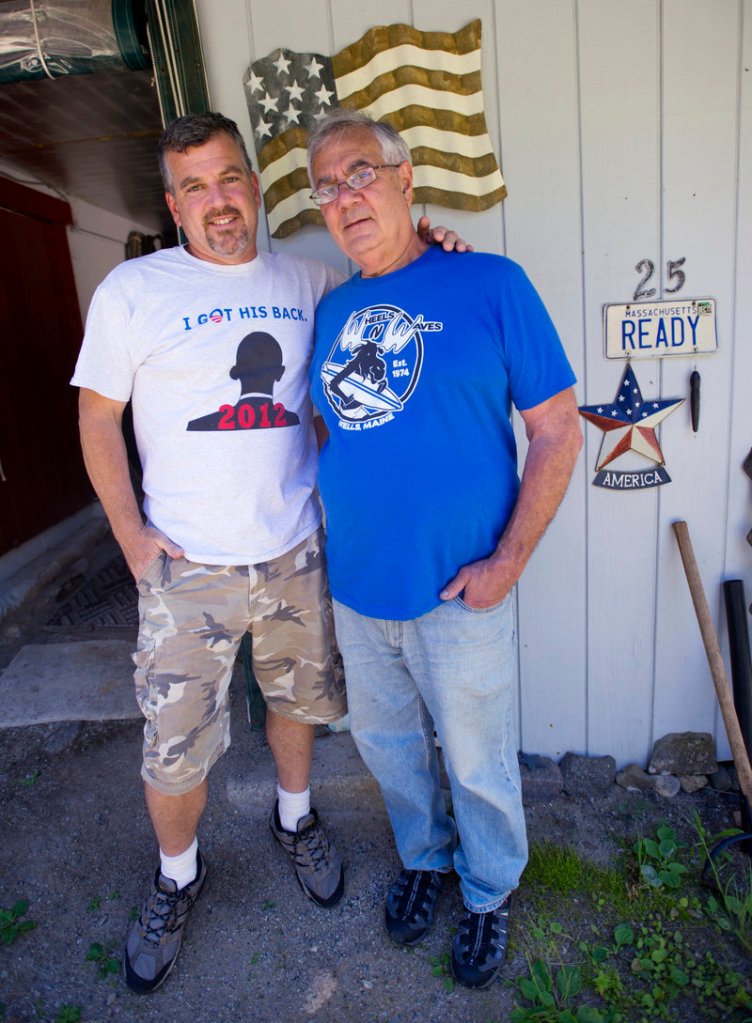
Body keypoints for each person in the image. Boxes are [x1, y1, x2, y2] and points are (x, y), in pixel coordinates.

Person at [71, 110, 466, 995]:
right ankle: (178, 877)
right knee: (174, 748)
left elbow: (392, 285)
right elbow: (96, 417)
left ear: (254, 182)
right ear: (174, 206)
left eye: (229, 178)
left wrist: (437, 243)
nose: (218, 201)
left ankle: (296, 818)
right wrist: (132, 538)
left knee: (302, 704)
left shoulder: (310, 279)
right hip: (186, 569)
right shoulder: (134, 292)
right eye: (195, 187)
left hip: (292, 548)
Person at [307, 109, 583, 990]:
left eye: (359, 174)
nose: (344, 196)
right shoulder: (332, 308)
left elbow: (558, 431)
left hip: (462, 593)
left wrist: (507, 563)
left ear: (404, 178)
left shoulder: (490, 283)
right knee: (389, 748)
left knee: (476, 756)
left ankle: (489, 889)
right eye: (326, 186)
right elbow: (331, 427)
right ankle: (424, 858)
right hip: (357, 589)